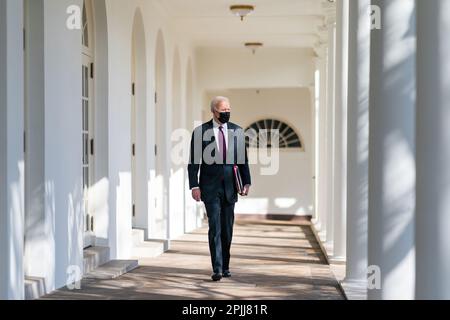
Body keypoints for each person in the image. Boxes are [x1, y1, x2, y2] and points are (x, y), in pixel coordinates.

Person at [188, 96, 252, 282]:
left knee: (227, 229)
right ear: (213, 111)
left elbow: (243, 161)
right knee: (214, 227)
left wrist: (246, 182)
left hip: (231, 187)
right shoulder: (201, 132)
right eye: (222, 111)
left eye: (228, 110)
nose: (226, 113)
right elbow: (193, 162)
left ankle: (225, 266)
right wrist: (194, 185)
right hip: (209, 188)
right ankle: (216, 268)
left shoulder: (237, 131)